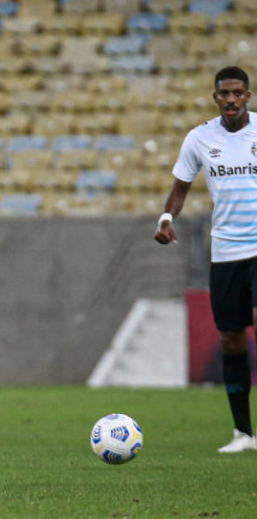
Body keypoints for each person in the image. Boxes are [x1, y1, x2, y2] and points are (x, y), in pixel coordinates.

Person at [155, 65, 257, 453]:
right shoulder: (200, 138)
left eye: (238, 93)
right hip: (227, 252)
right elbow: (180, 188)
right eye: (224, 93)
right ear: (215, 97)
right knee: (232, 339)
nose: (231, 99)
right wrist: (166, 218)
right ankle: (244, 434)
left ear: (247, 96)